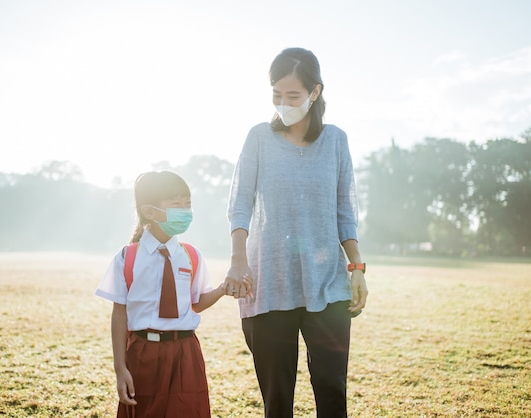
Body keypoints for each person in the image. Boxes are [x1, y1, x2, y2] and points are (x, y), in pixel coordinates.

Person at [225, 47, 369, 418]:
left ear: (315, 93)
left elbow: (344, 212)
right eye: (276, 95)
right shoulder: (258, 137)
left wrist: (357, 269)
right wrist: (238, 261)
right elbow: (240, 204)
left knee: (333, 392)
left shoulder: (336, 140)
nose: (283, 103)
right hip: (269, 281)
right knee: (277, 401)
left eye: (293, 96)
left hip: (328, 282)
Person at [95, 171, 237, 418]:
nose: (184, 211)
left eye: (187, 204)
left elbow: (196, 303)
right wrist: (120, 368)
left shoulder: (191, 255)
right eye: (176, 204)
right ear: (149, 212)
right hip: (143, 354)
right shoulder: (127, 258)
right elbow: (119, 314)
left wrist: (222, 290)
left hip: (186, 353)